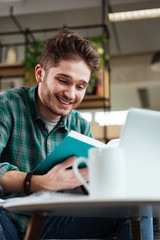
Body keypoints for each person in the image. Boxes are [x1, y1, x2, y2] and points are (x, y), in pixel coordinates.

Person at [0, 28, 153, 239]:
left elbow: (89, 189)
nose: (71, 94)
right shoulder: (6, 106)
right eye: (63, 80)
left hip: (53, 222)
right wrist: (37, 182)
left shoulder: (80, 126)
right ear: (40, 73)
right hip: (7, 221)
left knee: (136, 207)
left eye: (80, 86)